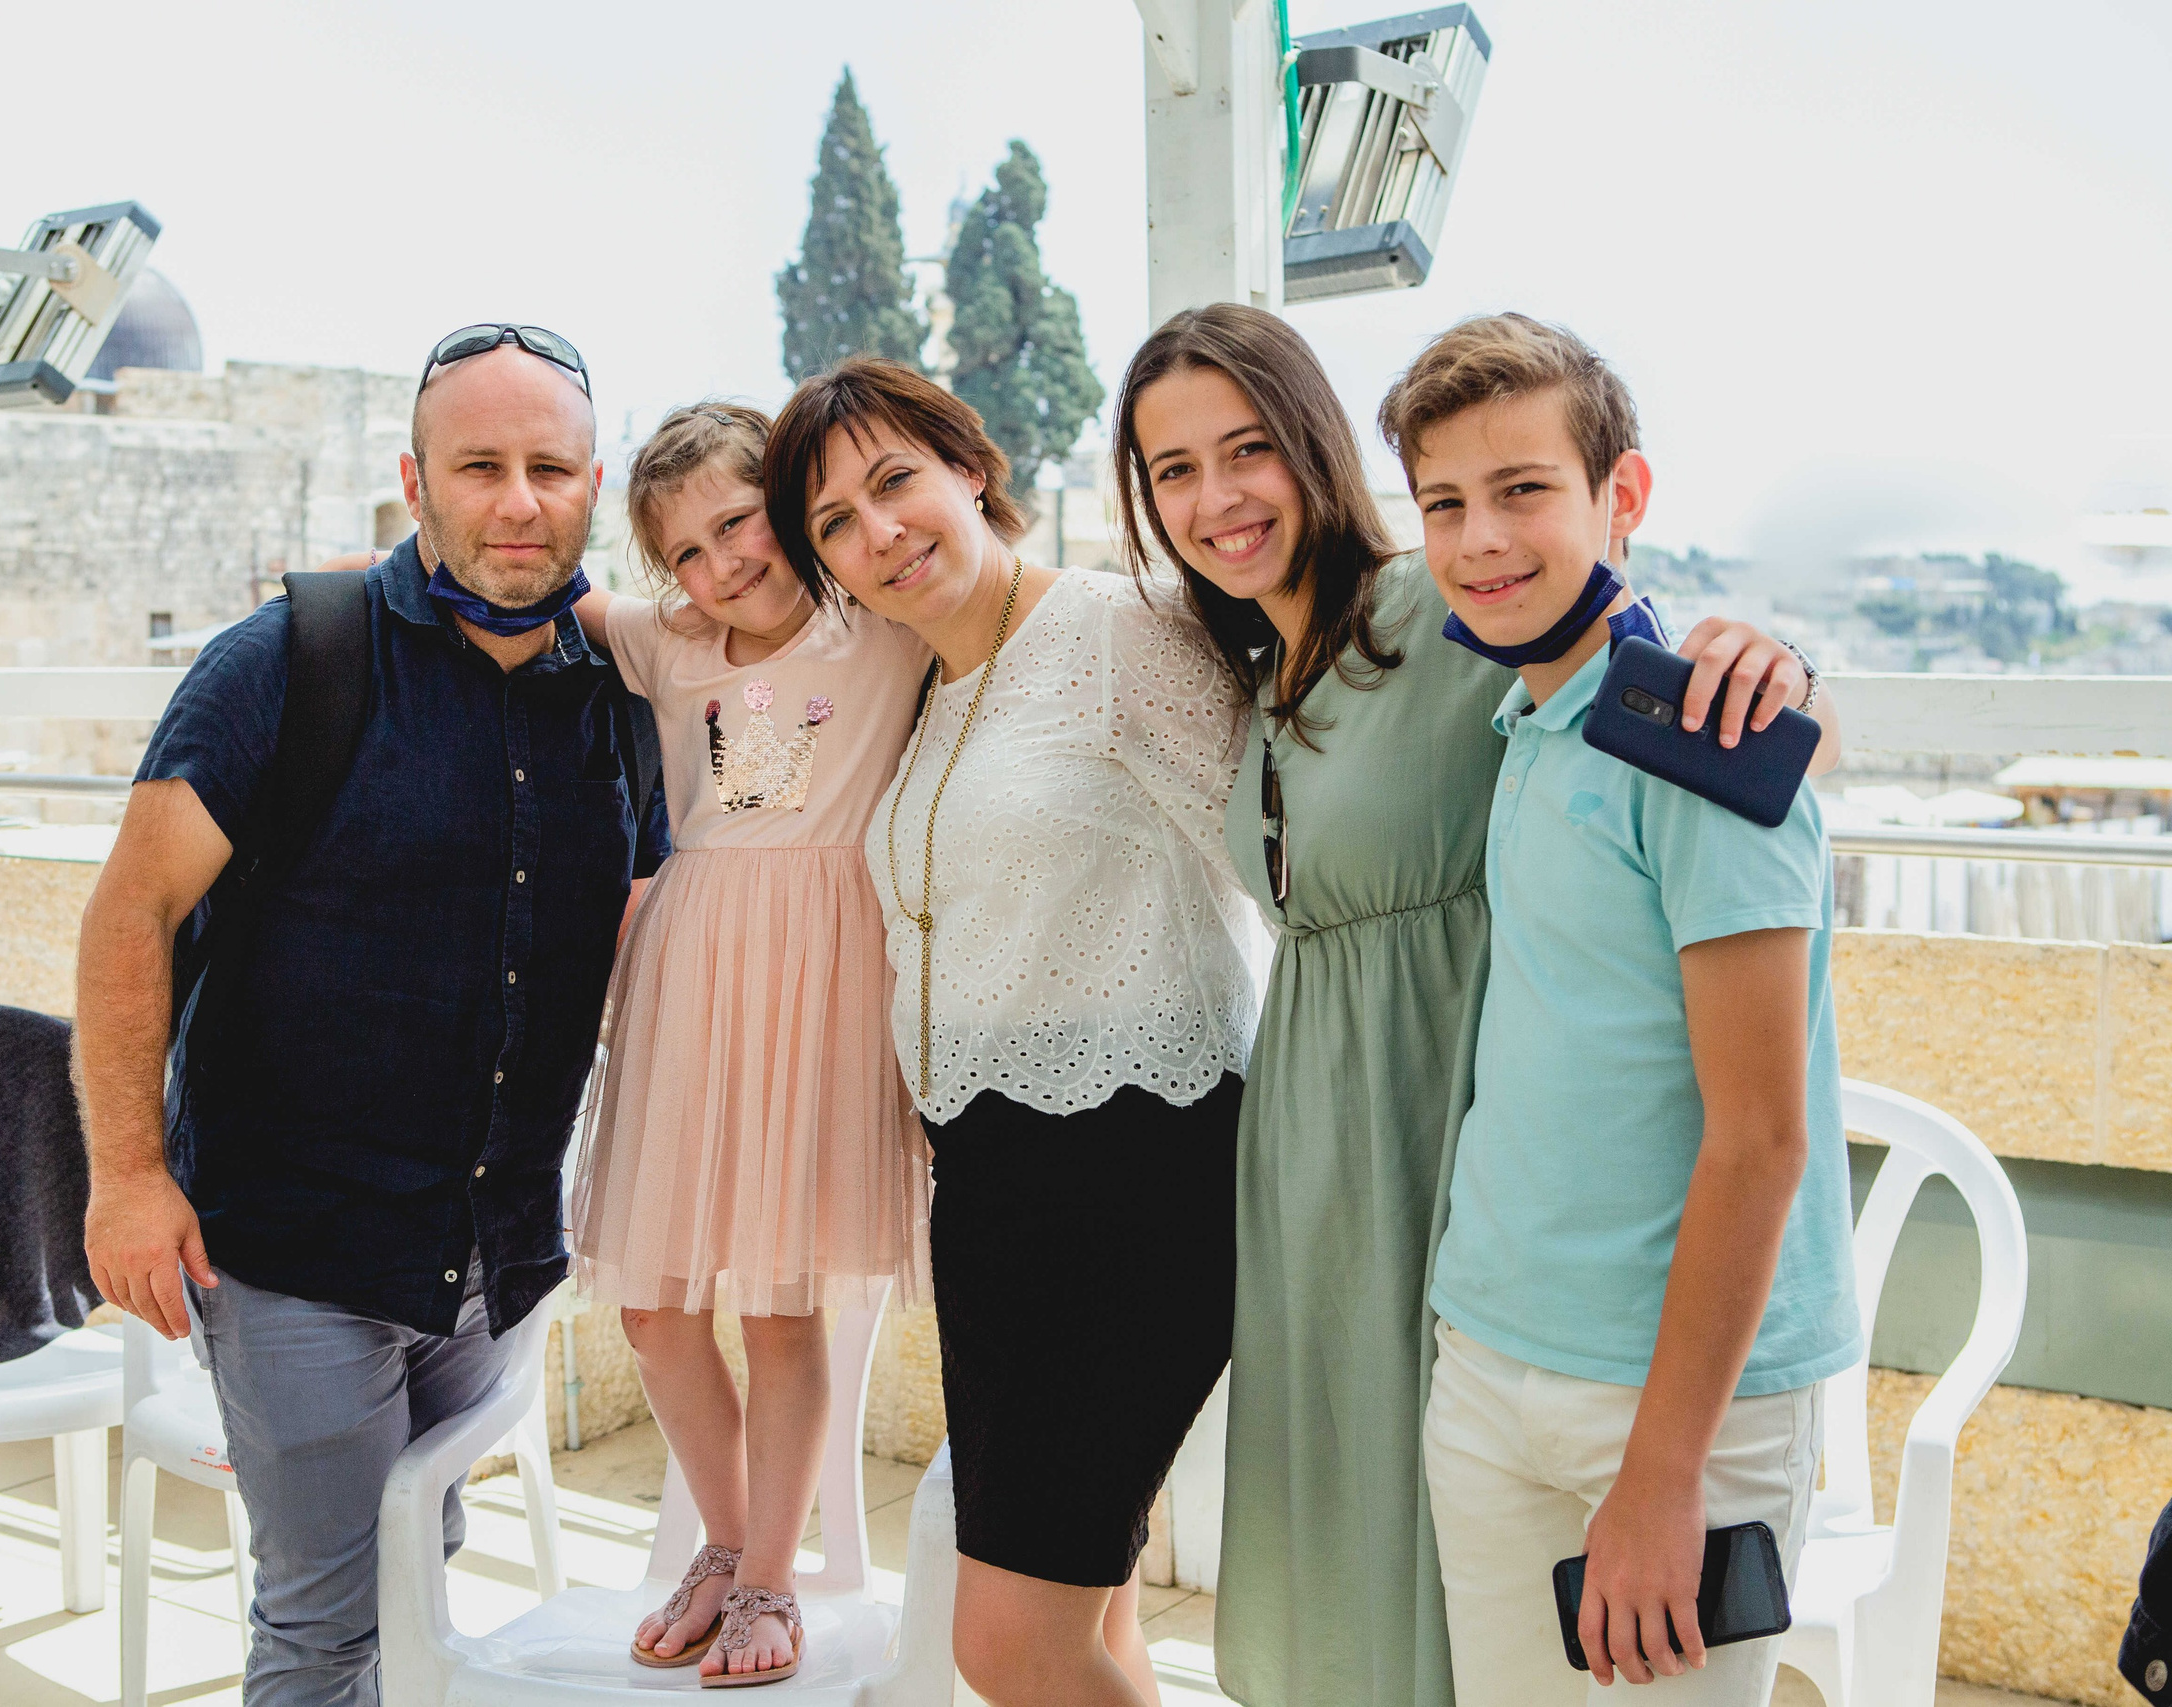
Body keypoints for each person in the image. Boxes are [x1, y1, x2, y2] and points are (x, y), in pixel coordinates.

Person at [1110, 301, 1840, 1707]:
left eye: (1248, 447)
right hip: (1418, 1242)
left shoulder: (1452, 624)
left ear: (1315, 451)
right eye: (1173, 469)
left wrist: (1777, 666)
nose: (1216, 495)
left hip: (1464, 1169)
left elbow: (1669, 686)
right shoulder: (1326, 681)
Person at [74, 323, 666, 1707]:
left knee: (416, 1577)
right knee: (326, 1622)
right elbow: (130, 913)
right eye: (481, 466)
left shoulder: (626, 694)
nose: (518, 500)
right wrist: (125, 1172)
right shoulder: (289, 658)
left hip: (498, 1243)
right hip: (295, 1245)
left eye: (550, 466)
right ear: (416, 478)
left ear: (596, 482)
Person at [762, 358, 1268, 1707]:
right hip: (990, 1197)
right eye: (833, 523)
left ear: (968, 467)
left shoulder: (1120, 630)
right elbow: (713, 678)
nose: (878, 533)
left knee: (1006, 1641)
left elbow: (1296, 825)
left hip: (1141, 1180)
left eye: (894, 482)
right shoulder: (915, 690)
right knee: (1092, 1605)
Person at [1383, 312, 1861, 1704]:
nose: (1481, 540)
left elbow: (1761, 1137)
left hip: (1675, 1408)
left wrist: (1664, 1474)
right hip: (1485, 1358)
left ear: (1622, 495)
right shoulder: (1529, 720)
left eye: (1524, 490)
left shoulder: (1707, 736)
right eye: (1446, 504)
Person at [571, 403, 932, 1683]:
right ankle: (723, 1546)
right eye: (686, 552)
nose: (722, 565)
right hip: (689, 975)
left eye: (737, 523)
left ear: (784, 503)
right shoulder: (666, 645)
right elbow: (521, 597)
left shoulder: (881, 626)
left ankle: (771, 1583)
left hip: (825, 980)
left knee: (783, 1305)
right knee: (654, 1302)